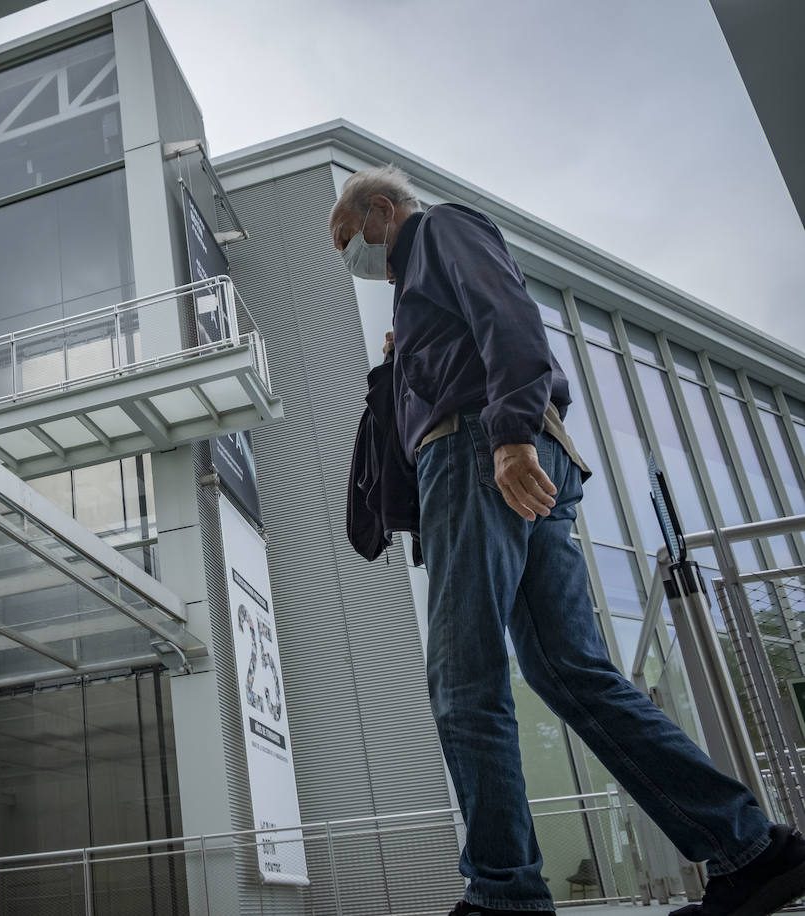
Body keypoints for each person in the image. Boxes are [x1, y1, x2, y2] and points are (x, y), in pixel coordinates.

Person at [328, 164, 805, 916]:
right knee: (569, 670)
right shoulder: (417, 295)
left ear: (383, 210)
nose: (349, 255)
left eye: (347, 237)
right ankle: (751, 849)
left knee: (465, 679)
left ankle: (503, 894)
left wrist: (509, 437)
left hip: (485, 453)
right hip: (502, 454)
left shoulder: (439, 231)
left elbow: (511, 322)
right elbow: (472, 341)